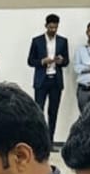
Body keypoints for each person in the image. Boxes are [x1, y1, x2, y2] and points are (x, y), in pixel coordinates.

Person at [27, 16, 69, 145]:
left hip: (56, 80)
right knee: (38, 110)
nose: (53, 30)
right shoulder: (37, 41)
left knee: (53, 111)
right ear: (46, 26)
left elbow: (66, 61)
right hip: (41, 80)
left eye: (55, 27)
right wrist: (42, 61)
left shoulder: (62, 41)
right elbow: (30, 61)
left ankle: (50, 141)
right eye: (51, 27)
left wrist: (61, 61)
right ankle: (39, 141)